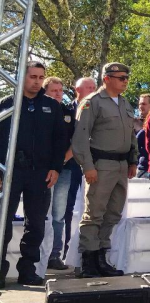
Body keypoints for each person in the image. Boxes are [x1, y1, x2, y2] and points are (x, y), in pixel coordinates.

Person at [0, 62, 68, 286]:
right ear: (22, 76)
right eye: (33, 76)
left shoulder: (52, 105)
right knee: (2, 222)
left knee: (36, 224)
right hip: (10, 172)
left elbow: (60, 139)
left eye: (41, 77)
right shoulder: (7, 104)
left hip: (40, 173)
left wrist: (56, 167)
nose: (37, 81)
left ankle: (27, 269)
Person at [72, 62, 138, 278]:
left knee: (113, 214)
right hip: (101, 165)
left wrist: (132, 161)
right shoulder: (92, 103)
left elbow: (131, 137)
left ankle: (101, 258)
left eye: (127, 77)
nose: (125, 81)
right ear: (107, 78)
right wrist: (88, 166)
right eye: (121, 77)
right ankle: (88, 261)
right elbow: (80, 138)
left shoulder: (126, 104)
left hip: (120, 166)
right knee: (94, 214)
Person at [61, 77, 96, 260]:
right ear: (77, 90)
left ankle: (86, 253)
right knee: (67, 210)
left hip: (94, 168)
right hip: (70, 168)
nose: (92, 90)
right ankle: (67, 251)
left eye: (94, 87)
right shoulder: (67, 111)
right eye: (88, 87)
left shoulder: (99, 110)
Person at [42, 76, 73, 271]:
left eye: (60, 90)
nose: (58, 94)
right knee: (41, 214)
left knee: (58, 216)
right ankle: (39, 255)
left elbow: (76, 141)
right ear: (45, 92)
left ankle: (54, 255)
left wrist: (59, 162)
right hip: (41, 170)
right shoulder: (38, 110)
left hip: (64, 169)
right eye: (54, 90)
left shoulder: (68, 113)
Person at [137, 94, 150, 178]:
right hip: (144, 169)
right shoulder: (134, 123)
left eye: (144, 104)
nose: (141, 107)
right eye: (140, 104)